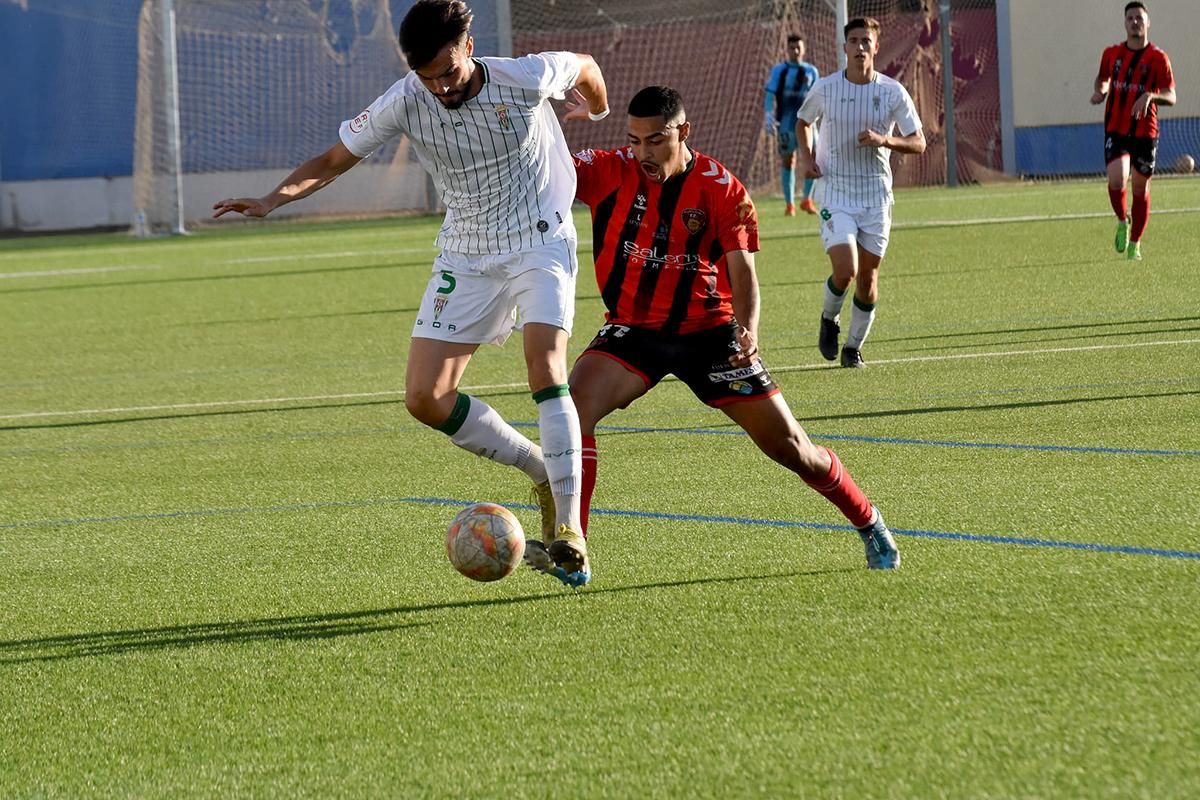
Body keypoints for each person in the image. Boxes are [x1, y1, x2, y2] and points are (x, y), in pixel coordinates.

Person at [211, 0, 609, 587]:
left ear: (468, 47)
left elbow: (586, 65)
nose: (441, 87)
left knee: (545, 367)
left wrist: (594, 109)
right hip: (466, 253)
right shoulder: (406, 99)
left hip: (539, 242)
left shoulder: (524, 77)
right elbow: (334, 159)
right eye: (428, 77)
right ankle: (540, 470)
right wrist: (274, 198)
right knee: (425, 397)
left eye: (447, 72)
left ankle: (571, 531)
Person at [559, 85, 899, 572]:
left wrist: (749, 329)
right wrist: (552, 123)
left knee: (794, 451)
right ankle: (575, 547)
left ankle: (868, 521)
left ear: (684, 132)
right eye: (634, 140)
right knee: (572, 414)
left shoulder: (721, 188)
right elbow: (542, 167)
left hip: (712, 335)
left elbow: (742, 273)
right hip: (633, 331)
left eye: (655, 140)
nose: (642, 153)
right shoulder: (610, 170)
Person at [795, 17, 925, 369]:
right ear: (845, 47)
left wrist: (886, 140)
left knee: (868, 279)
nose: (860, 47)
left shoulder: (892, 92)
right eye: (854, 41)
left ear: (876, 47)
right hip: (836, 193)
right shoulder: (826, 88)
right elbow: (803, 121)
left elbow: (919, 142)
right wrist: (807, 158)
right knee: (846, 270)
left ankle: (853, 348)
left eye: (866, 41)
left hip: (876, 197)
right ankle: (828, 318)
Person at [1090, 1, 1175, 262]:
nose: (1135, 22)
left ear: (1148, 23)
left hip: (1145, 132)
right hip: (1116, 128)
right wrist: (1101, 91)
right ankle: (1120, 220)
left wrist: (1150, 96)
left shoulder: (1158, 58)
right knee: (1117, 178)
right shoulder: (1111, 54)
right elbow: (1102, 77)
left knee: (1140, 188)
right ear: (1125, 23)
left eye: (1139, 18)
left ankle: (1135, 244)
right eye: (1130, 18)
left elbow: (1171, 96)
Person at [764, 34, 820, 216]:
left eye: (798, 47)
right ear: (787, 50)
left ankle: (807, 199)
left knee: (813, 158)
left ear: (804, 49)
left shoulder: (812, 71)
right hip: (786, 123)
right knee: (789, 160)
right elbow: (770, 94)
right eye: (792, 47)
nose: (795, 51)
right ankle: (790, 204)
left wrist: (821, 114)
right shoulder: (779, 70)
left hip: (808, 123)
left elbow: (817, 96)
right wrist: (768, 114)